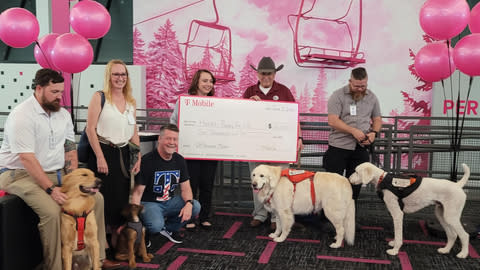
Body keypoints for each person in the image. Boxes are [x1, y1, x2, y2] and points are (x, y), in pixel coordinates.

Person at [0, 68, 119, 269]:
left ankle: (97, 259)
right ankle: (54, 266)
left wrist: (73, 176)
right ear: (39, 89)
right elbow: (27, 159)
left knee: (96, 199)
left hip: (56, 173)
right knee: (52, 212)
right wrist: (50, 190)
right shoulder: (21, 115)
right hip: (19, 175)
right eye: (54, 92)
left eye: (61, 92)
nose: (59, 97)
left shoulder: (62, 114)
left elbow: (69, 148)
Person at [85, 59, 141, 247]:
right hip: (103, 152)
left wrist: (138, 155)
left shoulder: (131, 101)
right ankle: (100, 242)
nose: (120, 78)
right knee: (102, 197)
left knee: (120, 197)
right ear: (109, 76)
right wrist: (100, 156)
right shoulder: (99, 97)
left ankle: (115, 236)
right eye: (116, 74)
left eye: (123, 74)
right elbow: (90, 129)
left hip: (123, 154)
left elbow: (134, 132)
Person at [243, 56, 303, 230]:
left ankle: (276, 217)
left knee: (279, 181)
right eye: (263, 74)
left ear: (275, 74)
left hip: (280, 146)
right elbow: (241, 115)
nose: (266, 77)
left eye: (269, 74)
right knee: (257, 180)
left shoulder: (284, 91)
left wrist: (299, 138)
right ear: (258, 74)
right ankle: (260, 213)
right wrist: (248, 105)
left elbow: (294, 117)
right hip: (256, 145)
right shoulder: (249, 92)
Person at [131, 124, 201, 244]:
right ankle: (146, 230)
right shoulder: (147, 161)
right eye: (168, 138)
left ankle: (170, 229)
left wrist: (188, 203)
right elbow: (137, 194)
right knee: (155, 225)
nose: (172, 142)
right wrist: (135, 221)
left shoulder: (179, 160)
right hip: (149, 203)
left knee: (195, 206)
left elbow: (186, 188)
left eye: (175, 139)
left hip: (169, 201)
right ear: (160, 139)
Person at [323, 67, 382, 201]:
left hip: (361, 148)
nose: (360, 89)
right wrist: (353, 131)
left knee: (355, 185)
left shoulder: (372, 97)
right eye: (357, 86)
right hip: (338, 146)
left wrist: (374, 133)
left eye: (363, 86)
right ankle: (326, 219)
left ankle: (350, 216)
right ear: (350, 81)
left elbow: (377, 119)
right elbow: (332, 121)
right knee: (332, 184)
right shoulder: (337, 95)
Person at [170, 69, 218, 229]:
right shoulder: (184, 101)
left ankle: (205, 216)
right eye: (205, 80)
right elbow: (174, 121)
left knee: (207, 185)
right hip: (190, 152)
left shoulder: (217, 104)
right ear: (196, 82)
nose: (208, 84)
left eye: (211, 81)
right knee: (191, 185)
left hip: (210, 151)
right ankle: (188, 217)